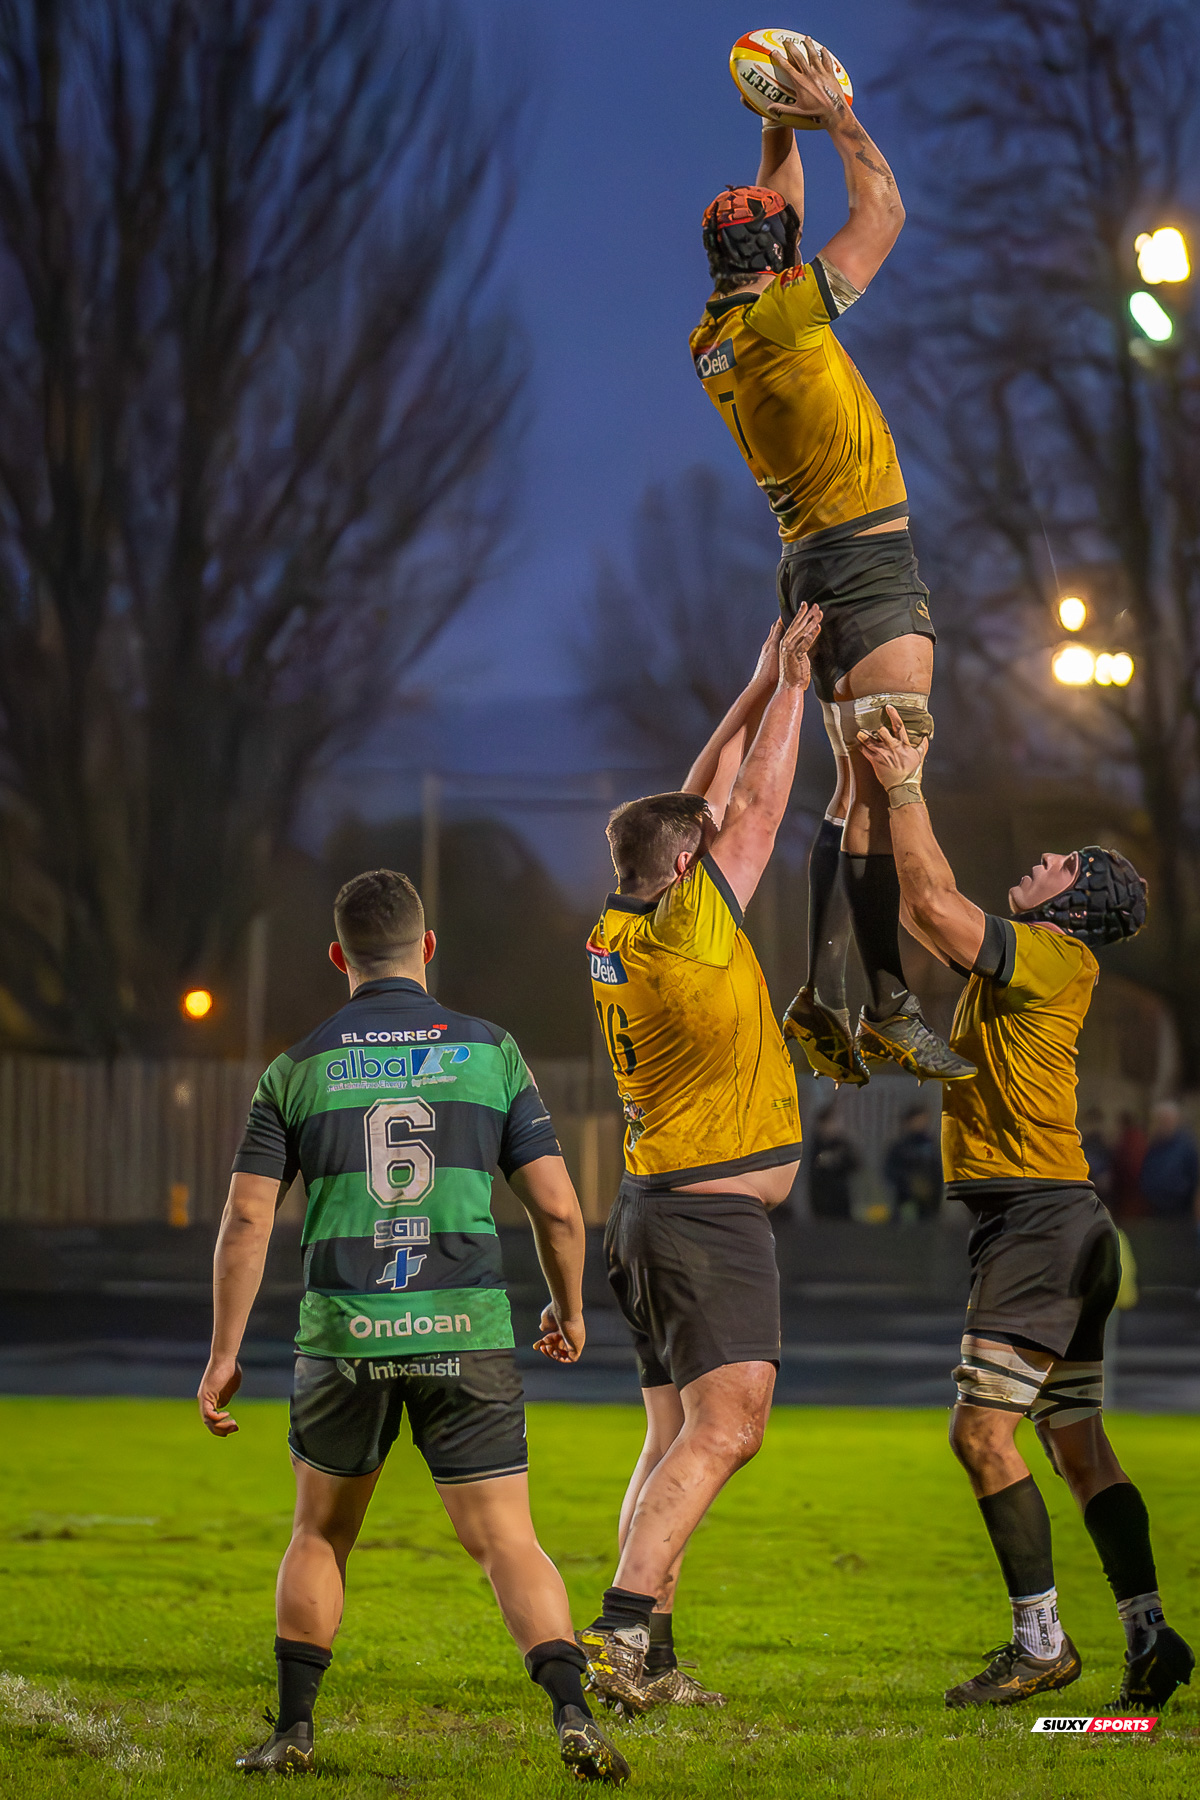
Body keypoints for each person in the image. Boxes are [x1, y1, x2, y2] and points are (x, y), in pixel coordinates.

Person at [198, 869, 629, 1784]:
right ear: (427, 949)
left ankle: (294, 1731)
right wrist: (570, 1305)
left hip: (347, 1337)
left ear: (337, 957)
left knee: (321, 1534)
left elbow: (246, 1220)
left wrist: (224, 1355)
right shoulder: (489, 1053)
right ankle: (571, 1711)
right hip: (465, 1330)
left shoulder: (298, 1067)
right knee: (509, 1539)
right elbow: (557, 1210)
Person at [859, 710, 1194, 1713]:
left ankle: (1040, 1645)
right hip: (1066, 1220)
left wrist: (905, 782)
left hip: (1039, 1224)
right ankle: (1149, 1633)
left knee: (981, 1437)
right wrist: (882, 805)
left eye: (1060, 862)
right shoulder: (1038, 961)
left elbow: (932, 897)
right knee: (1077, 1443)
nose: (1043, 858)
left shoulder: (1051, 956)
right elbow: (928, 912)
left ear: (1073, 901)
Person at [690, 34, 973, 1090]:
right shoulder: (790, 317)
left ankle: (826, 990)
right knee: (894, 776)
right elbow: (885, 212)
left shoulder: (717, 332)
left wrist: (779, 121)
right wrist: (841, 119)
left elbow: (781, 212)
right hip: (867, 565)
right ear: (782, 263)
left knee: (854, 786)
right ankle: (888, 998)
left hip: (808, 568)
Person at [580, 606, 820, 1712]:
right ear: (688, 870)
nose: (720, 843)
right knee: (731, 1426)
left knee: (673, 1432)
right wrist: (799, 689)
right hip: (703, 1218)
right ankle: (620, 1637)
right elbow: (757, 804)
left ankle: (652, 1657)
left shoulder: (620, 925)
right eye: (703, 847)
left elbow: (700, 801)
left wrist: (752, 683)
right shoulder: (689, 931)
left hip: (650, 1207)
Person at [1138, 1100, 1200, 1220]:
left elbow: (1193, 1175)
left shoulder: (1186, 1145)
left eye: (1167, 1120)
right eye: (1160, 1120)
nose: (1163, 1124)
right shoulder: (1155, 1145)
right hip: (1155, 1207)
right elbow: (1147, 1170)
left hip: (1180, 1208)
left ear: (1176, 1121)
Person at [883, 1104, 944, 1223]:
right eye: (918, 1119)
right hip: (905, 1201)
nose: (921, 1123)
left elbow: (938, 1172)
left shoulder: (931, 1146)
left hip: (928, 1205)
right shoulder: (900, 1147)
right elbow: (890, 1171)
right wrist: (908, 1184)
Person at [808, 1105, 860, 1220]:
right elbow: (812, 1171)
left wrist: (839, 1159)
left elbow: (856, 1165)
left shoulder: (842, 1144)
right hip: (821, 1202)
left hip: (842, 1200)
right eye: (830, 1122)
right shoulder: (814, 1145)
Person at [1112, 1110, 1148, 1220]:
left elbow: (1132, 1165)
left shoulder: (1131, 1140)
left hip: (1130, 1193)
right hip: (1130, 1192)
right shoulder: (1136, 1138)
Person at [1079, 1106, 1114, 1208]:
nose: (1094, 1126)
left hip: (1100, 1185)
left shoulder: (1104, 1145)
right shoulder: (1084, 1144)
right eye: (1091, 1122)